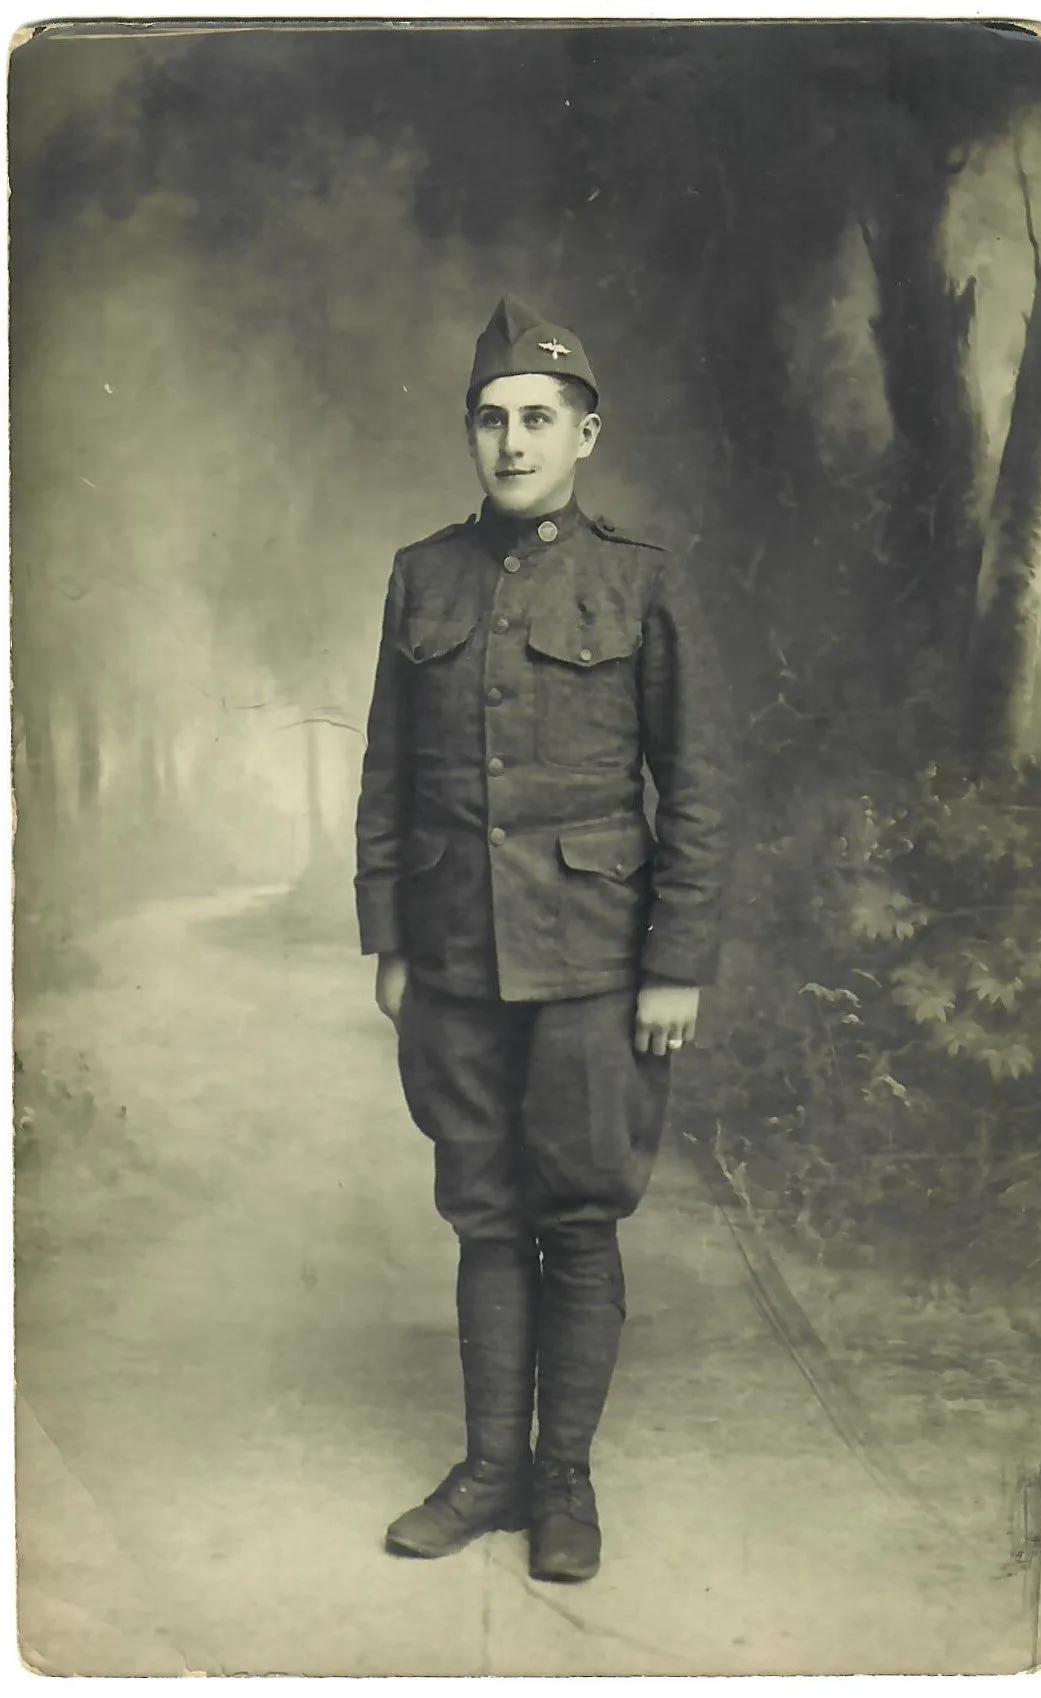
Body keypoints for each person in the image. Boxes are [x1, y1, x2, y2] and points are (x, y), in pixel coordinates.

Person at [354, 294, 726, 1583]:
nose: (512, 443)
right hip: (455, 954)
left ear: (586, 434)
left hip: (594, 961)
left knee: (578, 1217)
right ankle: (490, 1472)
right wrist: (390, 938)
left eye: (537, 419)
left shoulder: (638, 580)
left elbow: (698, 784)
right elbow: (387, 774)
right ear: (472, 435)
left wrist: (674, 960)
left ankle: (563, 1480)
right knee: (481, 1214)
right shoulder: (423, 575)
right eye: (491, 420)